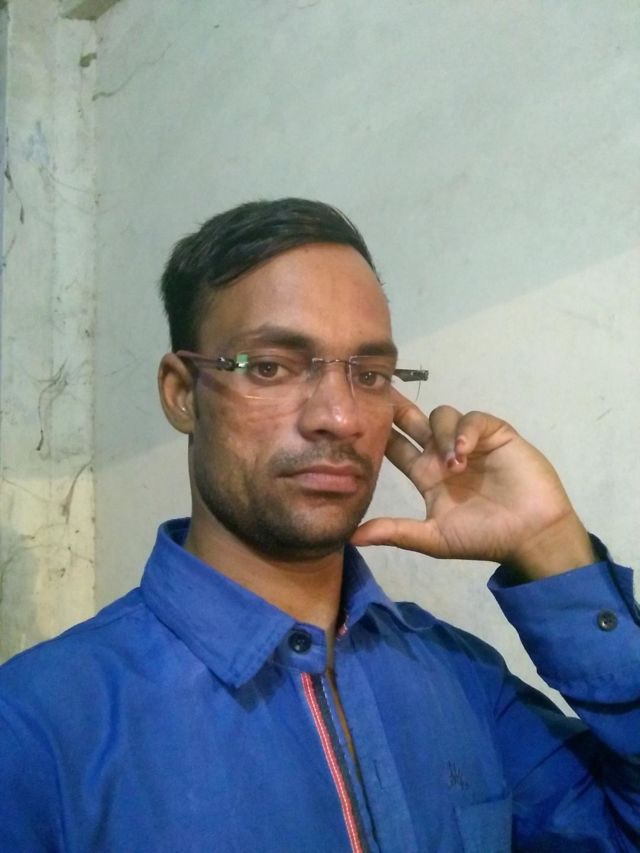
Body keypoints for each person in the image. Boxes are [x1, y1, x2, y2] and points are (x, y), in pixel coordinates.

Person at [0, 198, 638, 852]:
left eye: (370, 374)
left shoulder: (460, 679)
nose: (339, 416)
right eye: (271, 366)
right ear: (182, 392)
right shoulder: (36, 728)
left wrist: (549, 545)